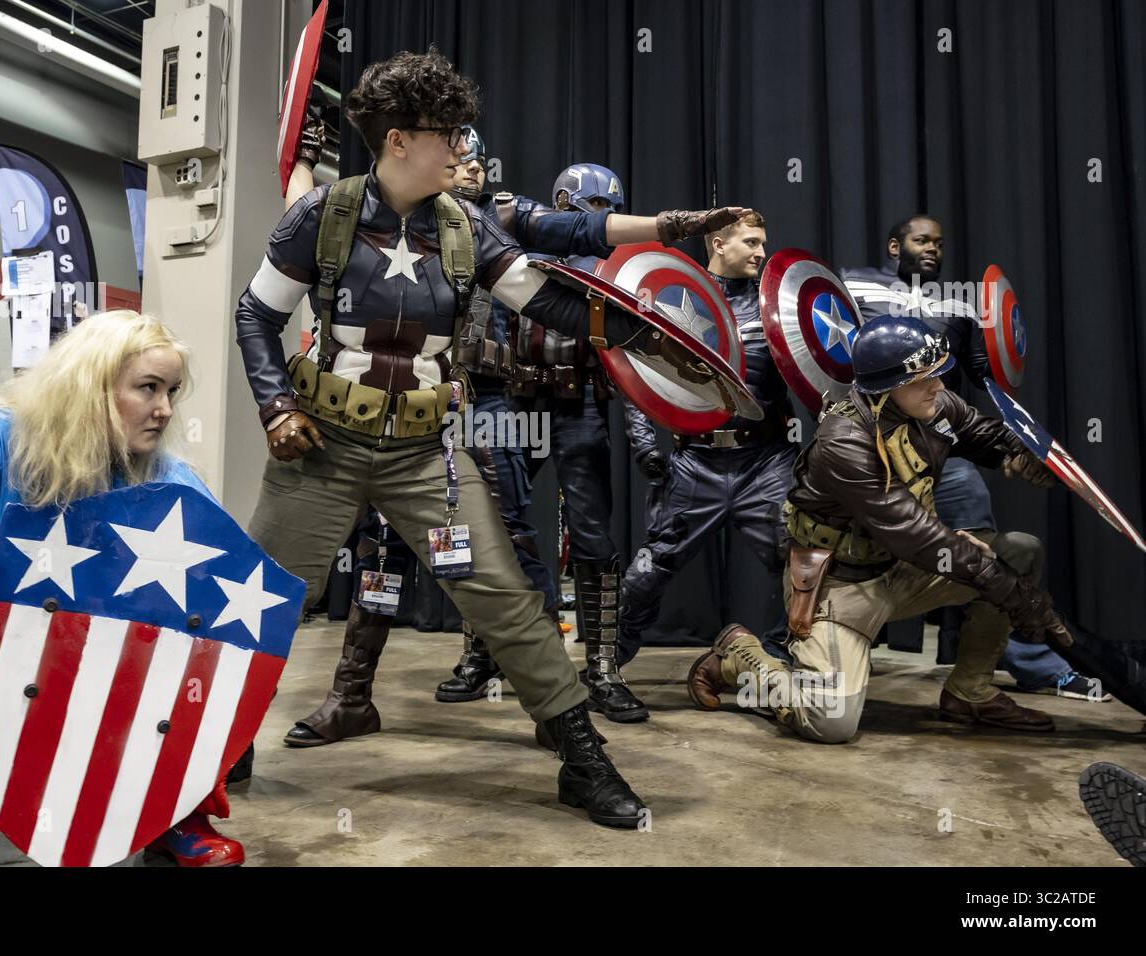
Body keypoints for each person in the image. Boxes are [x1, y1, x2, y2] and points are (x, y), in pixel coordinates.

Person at [238, 48, 663, 827]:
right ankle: (216, 749)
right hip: (322, 447)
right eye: (449, 134)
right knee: (259, 601)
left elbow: (547, 303)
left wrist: (642, 327)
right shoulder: (322, 215)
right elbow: (256, 316)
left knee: (505, 600)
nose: (464, 148)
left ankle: (581, 757)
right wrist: (274, 407)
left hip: (425, 454)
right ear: (399, 140)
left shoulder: (467, 226)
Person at [0, 311, 245, 865]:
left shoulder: (170, 478)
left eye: (172, 390)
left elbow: (232, 623)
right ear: (89, 385)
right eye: (148, 388)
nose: (165, 410)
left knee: (202, 666)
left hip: (106, 660)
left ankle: (175, 809)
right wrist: (65, 654)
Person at [685, 314, 1069, 742]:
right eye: (925, 379)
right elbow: (914, 532)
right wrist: (1016, 595)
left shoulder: (934, 406)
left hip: (903, 569)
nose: (940, 387)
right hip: (843, 585)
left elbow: (984, 434)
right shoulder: (844, 441)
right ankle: (742, 657)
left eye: (940, 375)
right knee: (830, 722)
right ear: (887, 387)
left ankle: (970, 692)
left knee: (1020, 551)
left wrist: (1023, 455)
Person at [842, 215, 1103, 701]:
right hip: (873, 449)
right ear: (895, 245)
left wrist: (1018, 443)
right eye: (922, 241)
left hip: (943, 450)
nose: (933, 250)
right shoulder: (852, 283)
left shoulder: (960, 301)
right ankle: (794, 643)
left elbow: (988, 375)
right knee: (835, 550)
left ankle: (1030, 666)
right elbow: (823, 348)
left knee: (995, 554)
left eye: (939, 243)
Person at [616, 211, 798, 719]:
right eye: (752, 242)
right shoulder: (676, 303)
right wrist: (645, 449)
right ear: (718, 243)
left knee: (800, 568)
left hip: (767, 460)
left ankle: (776, 668)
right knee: (647, 573)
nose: (763, 253)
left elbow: (820, 374)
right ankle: (604, 672)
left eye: (765, 242)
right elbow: (637, 379)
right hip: (695, 461)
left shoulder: (780, 310)